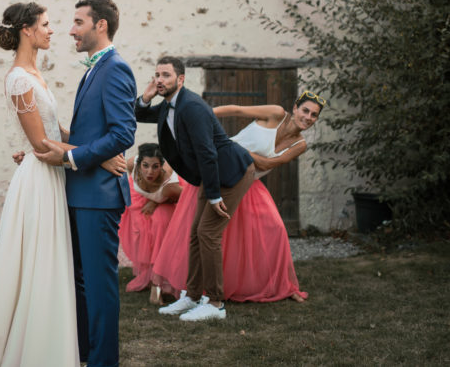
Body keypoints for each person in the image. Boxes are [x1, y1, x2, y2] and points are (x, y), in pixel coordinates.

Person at [0, 2, 98, 366]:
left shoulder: (34, 74)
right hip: (40, 179)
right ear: (27, 30)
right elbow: (40, 144)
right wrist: (98, 155)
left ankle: (49, 343)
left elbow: (56, 130)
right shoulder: (18, 78)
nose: (52, 31)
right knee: (39, 264)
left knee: (50, 263)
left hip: (52, 173)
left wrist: (90, 144)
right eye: (46, 25)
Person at [35, 0, 137, 367]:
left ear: (101, 25)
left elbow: (123, 132)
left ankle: (103, 361)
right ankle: (82, 353)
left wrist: (71, 156)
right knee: (79, 283)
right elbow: (91, 131)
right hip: (80, 193)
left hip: (99, 196)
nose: (70, 29)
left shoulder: (115, 69)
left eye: (78, 22)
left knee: (98, 285)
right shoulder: (94, 70)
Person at [153, 91, 324, 303]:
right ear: (295, 108)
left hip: (249, 182)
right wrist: (198, 118)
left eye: (314, 115)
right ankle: (184, 289)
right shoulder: (276, 113)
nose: (307, 117)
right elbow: (235, 109)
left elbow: (268, 164)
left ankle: (280, 285)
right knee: (196, 229)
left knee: (276, 229)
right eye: (305, 110)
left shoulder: (300, 145)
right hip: (221, 169)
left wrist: (233, 148)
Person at [136, 56, 254, 322]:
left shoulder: (192, 107)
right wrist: (146, 95)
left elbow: (207, 153)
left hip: (230, 172)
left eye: (166, 75)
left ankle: (214, 302)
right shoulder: (168, 106)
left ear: (181, 79)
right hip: (210, 175)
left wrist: (213, 196)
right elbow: (139, 113)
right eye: (157, 75)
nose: (159, 80)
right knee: (195, 234)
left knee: (208, 233)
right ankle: (191, 296)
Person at [119, 143, 182, 304]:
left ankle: (158, 283)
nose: (149, 172)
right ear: (139, 163)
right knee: (141, 229)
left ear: (161, 166)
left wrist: (156, 202)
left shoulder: (170, 184)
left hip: (167, 201)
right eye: (145, 166)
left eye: (155, 167)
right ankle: (147, 275)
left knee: (160, 223)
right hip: (139, 199)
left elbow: (186, 201)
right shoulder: (132, 164)